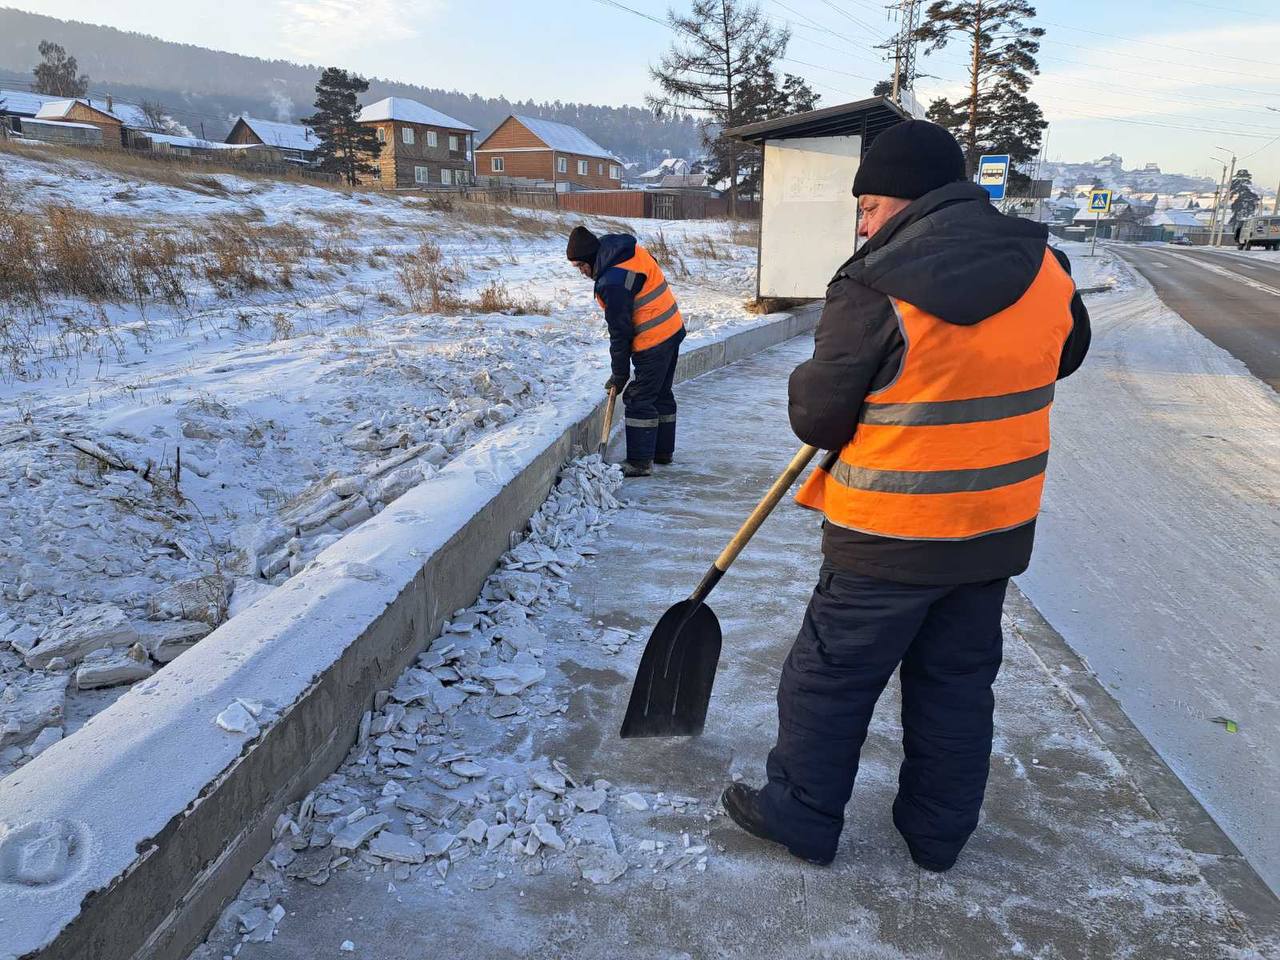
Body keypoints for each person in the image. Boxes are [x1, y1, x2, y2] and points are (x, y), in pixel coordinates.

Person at [721, 120, 1092, 871]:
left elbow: (818, 416)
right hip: (992, 532)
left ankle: (800, 813)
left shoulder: (875, 283)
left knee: (829, 679)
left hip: (888, 535)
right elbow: (1068, 352)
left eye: (870, 204)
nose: (861, 222)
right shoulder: (1047, 267)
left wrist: (818, 377)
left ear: (909, 199)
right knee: (955, 688)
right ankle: (937, 836)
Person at [567, 226, 686, 477]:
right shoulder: (626, 251)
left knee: (638, 398)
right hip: (672, 328)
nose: (581, 272)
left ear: (590, 258)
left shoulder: (612, 282)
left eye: (580, 266)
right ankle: (662, 453)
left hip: (654, 339)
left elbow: (620, 332)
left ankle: (640, 462)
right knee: (661, 393)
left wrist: (619, 375)